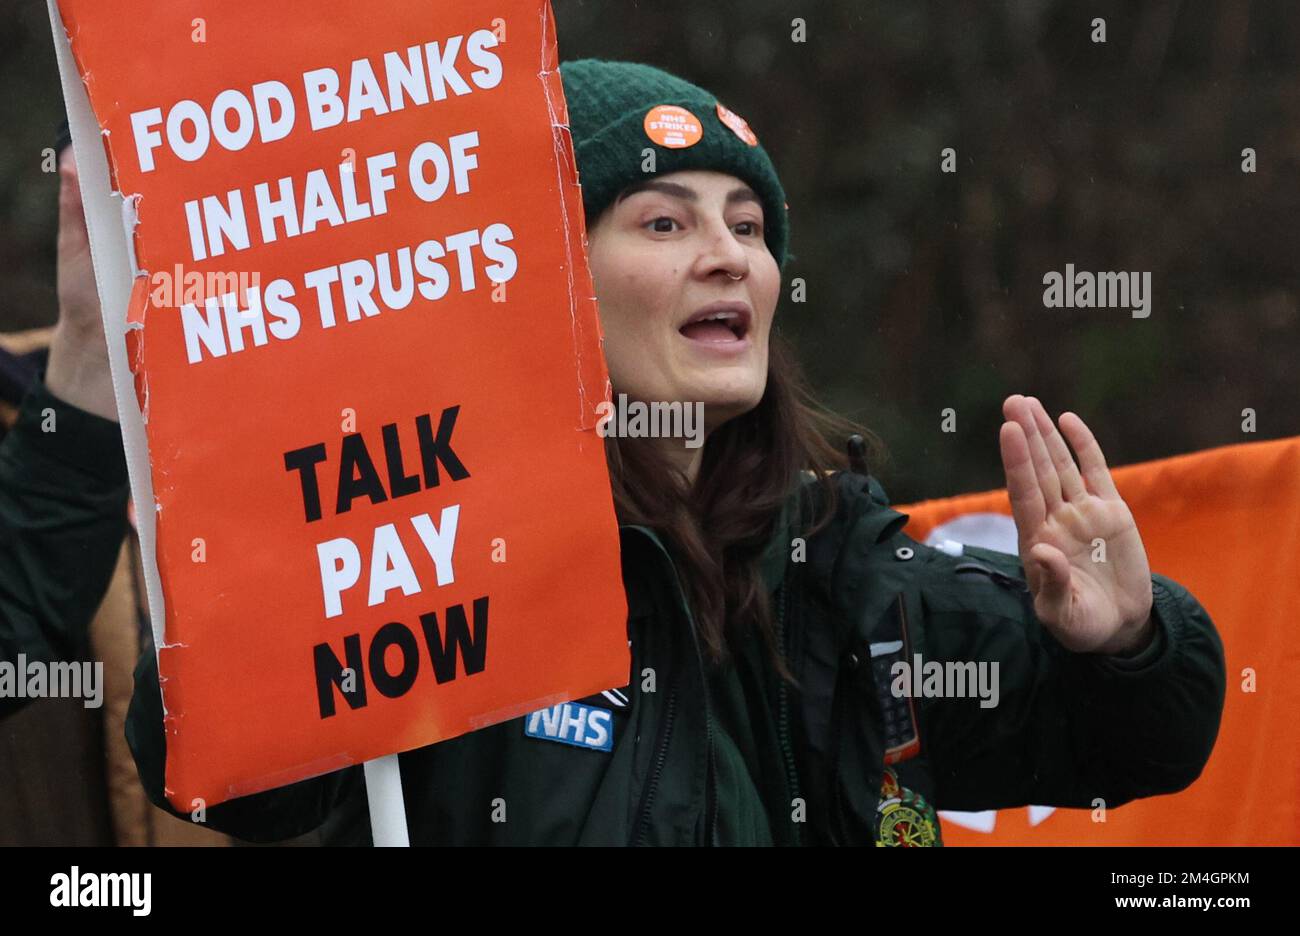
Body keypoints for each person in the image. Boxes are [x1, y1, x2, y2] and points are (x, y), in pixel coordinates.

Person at [1, 59, 1225, 846]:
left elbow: (1140, 751)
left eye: (747, 226)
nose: (728, 254)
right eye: (663, 220)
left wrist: (1125, 641)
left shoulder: (847, 567)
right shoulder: (435, 551)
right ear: (543, 283)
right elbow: (223, 779)